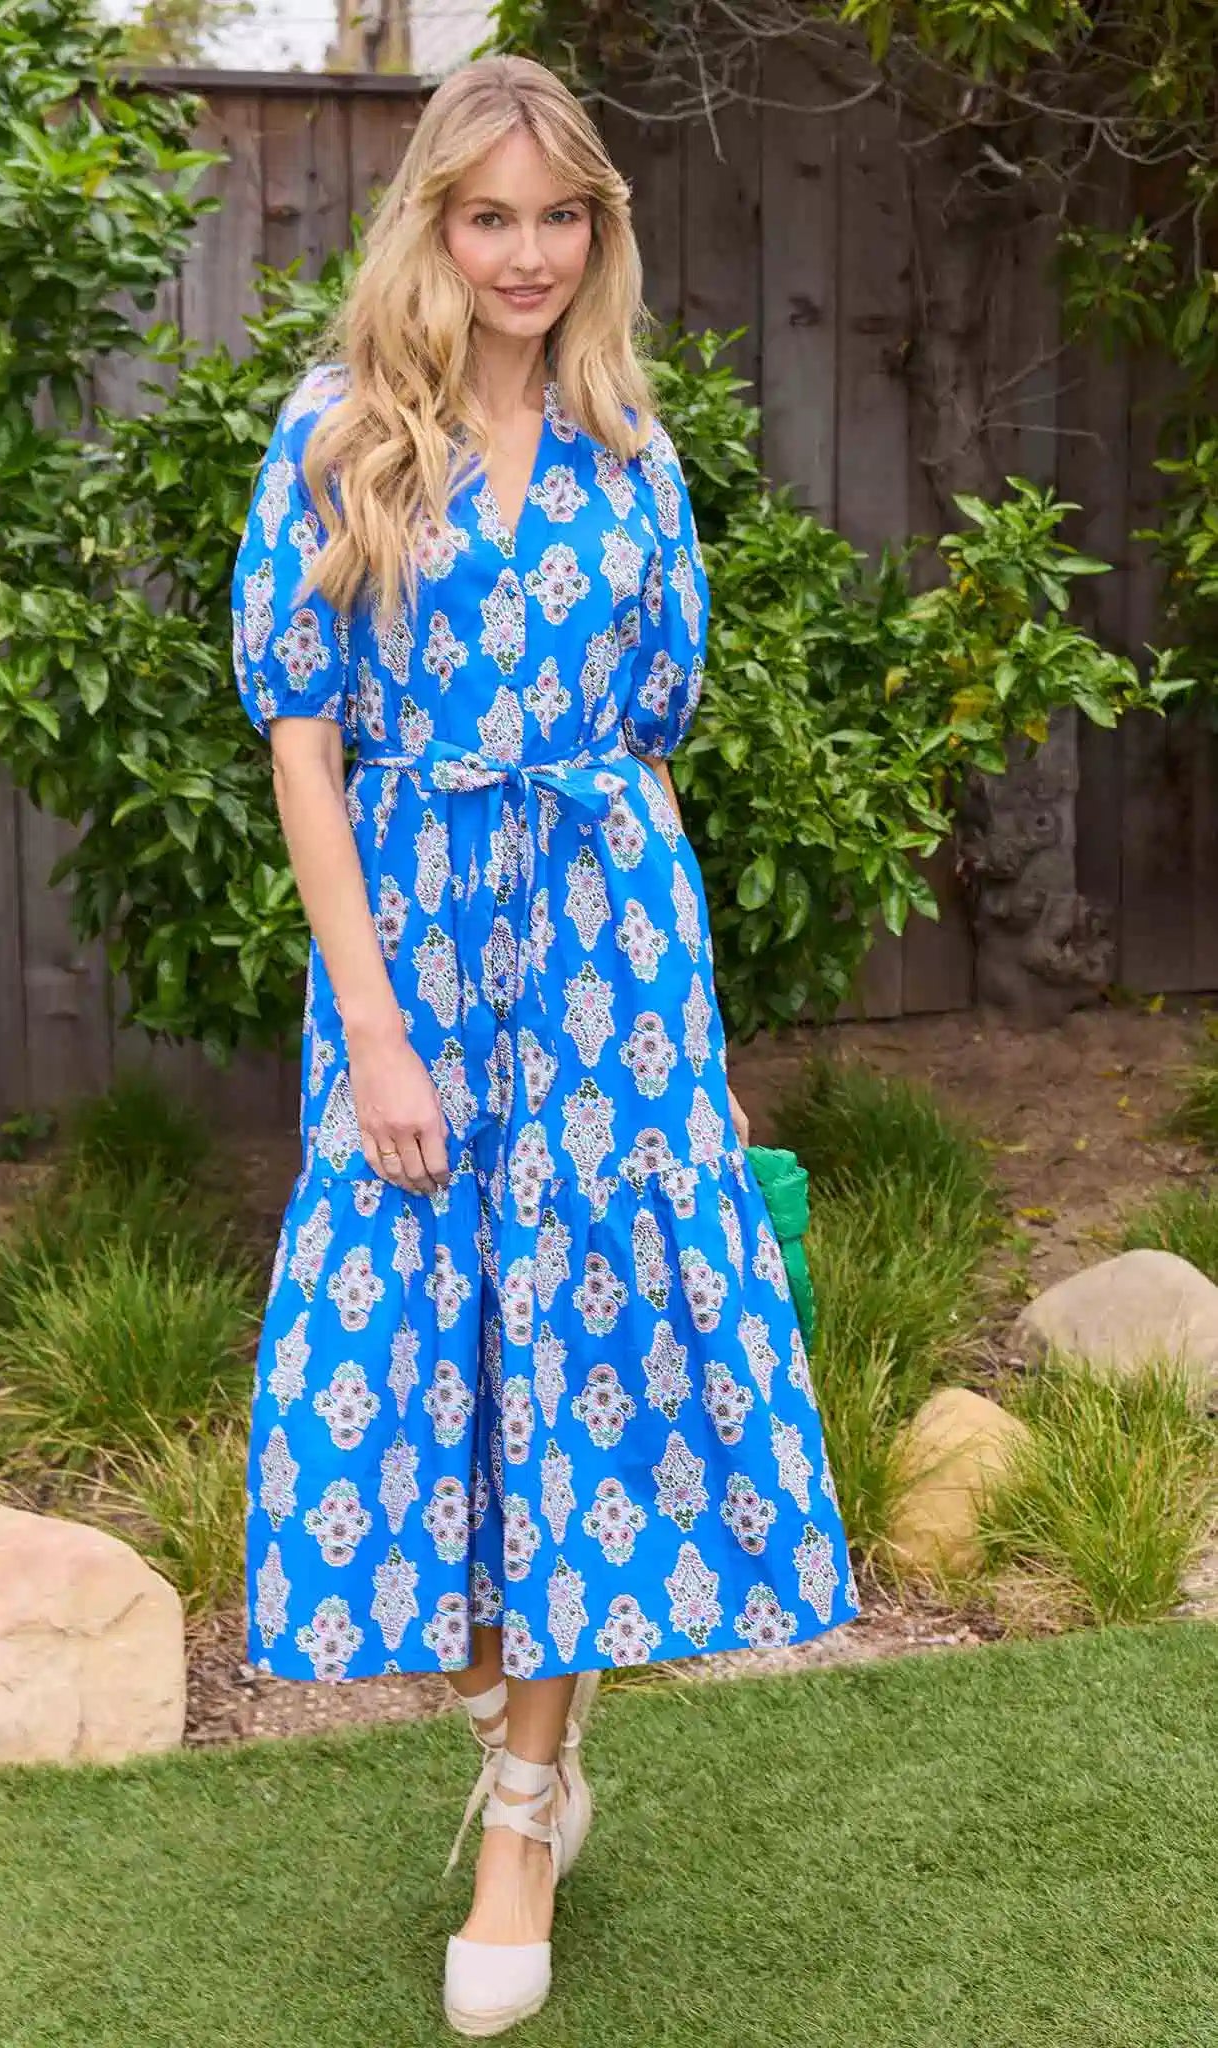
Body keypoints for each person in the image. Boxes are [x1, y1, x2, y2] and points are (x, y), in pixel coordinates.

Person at [231, 50, 860, 2037]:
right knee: (427, 1357)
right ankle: (520, 1726)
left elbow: (646, 745)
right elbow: (304, 748)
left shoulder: (629, 448)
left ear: (600, 230)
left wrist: (682, 1035)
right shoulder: (335, 433)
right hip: (409, 945)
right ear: (432, 222)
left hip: (605, 955)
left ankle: (523, 1809)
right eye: (488, 215)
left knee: (588, 1345)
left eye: (557, 216)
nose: (523, 254)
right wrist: (372, 1027)